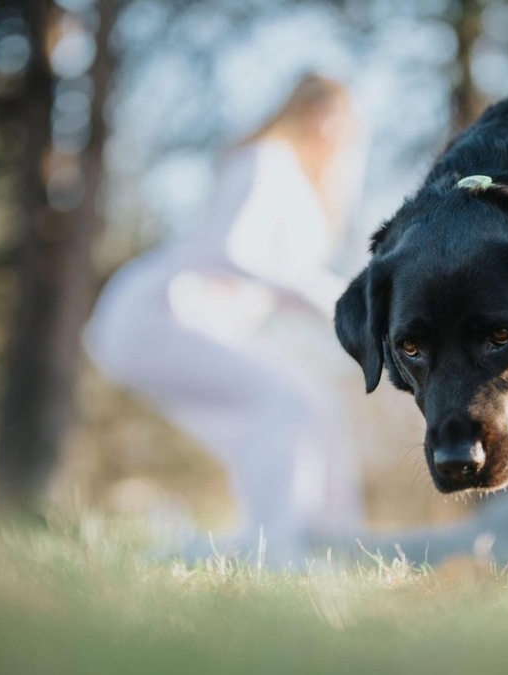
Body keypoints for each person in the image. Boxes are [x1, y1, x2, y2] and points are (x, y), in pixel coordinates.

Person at [84, 75, 365, 565]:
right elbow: (227, 250)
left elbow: (274, 286)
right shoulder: (266, 159)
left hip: (193, 323)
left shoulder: (307, 191)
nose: (331, 130)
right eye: (323, 113)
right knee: (287, 401)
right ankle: (277, 550)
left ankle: (336, 545)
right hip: (155, 312)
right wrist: (323, 296)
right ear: (298, 111)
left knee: (317, 404)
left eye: (342, 120)